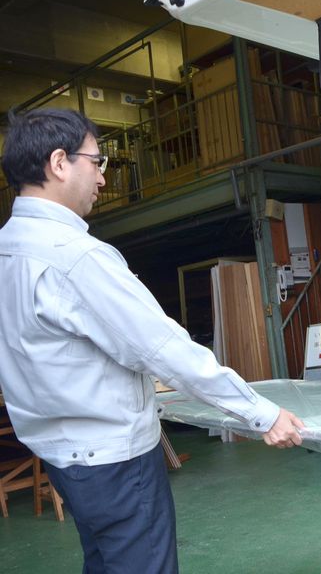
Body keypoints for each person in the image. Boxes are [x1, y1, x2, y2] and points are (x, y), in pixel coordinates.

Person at [0, 108, 305, 573]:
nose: (102, 179)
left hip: (62, 458)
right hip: (114, 462)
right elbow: (164, 349)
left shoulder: (8, 251)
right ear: (59, 163)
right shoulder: (75, 257)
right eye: (96, 162)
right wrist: (262, 414)